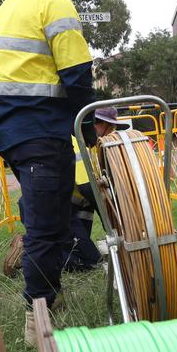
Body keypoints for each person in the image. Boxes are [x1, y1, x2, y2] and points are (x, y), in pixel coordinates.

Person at [0, 0, 95, 345]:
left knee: (50, 219)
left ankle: (51, 296)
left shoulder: (8, 7)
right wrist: (89, 126)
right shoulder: (52, 2)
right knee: (48, 229)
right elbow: (78, 77)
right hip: (41, 132)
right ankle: (38, 319)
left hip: (16, 133)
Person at [63, 107, 129, 271]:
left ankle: (45, 246)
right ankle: (29, 249)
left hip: (74, 207)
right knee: (92, 263)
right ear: (97, 124)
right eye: (111, 127)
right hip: (57, 210)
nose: (112, 132)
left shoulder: (93, 145)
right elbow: (89, 188)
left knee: (81, 254)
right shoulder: (77, 141)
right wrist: (117, 224)